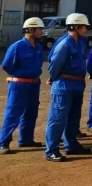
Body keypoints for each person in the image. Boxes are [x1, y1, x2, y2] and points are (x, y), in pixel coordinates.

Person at [44, 13, 91, 162]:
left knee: (73, 117)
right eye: (84, 27)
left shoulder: (80, 42)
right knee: (58, 118)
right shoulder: (64, 44)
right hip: (64, 85)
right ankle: (51, 150)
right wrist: (54, 78)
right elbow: (54, 65)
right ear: (76, 27)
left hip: (77, 84)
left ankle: (71, 145)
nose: (86, 30)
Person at [0, 17, 44, 155]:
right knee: (13, 113)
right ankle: (3, 143)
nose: (41, 32)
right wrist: (20, 75)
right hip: (19, 85)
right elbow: (6, 65)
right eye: (39, 29)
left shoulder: (38, 47)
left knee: (31, 112)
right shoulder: (17, 46)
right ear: (30, 30)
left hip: (34, 84)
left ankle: (26, 139)